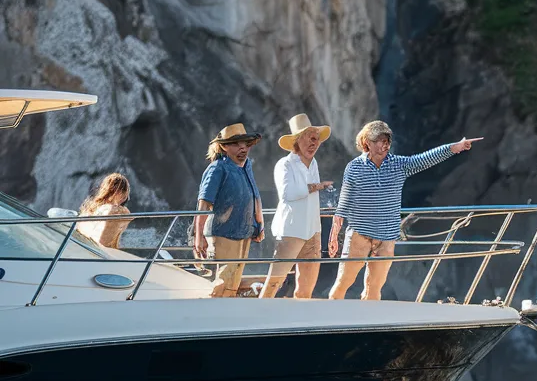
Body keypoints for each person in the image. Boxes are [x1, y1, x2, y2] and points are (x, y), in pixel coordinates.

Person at [328, 121, 480, 300]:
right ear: (367, 142)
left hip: (386, 237)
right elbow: (344, 202)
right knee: (344, 281)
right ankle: (328, 317)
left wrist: (456, 147)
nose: (384, 144)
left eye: (387, 140)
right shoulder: (354, 167)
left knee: (375, 288)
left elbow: (425, 158)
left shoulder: (399, 164)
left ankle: (366, 324)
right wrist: (334, 233)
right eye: (379, 140)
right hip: (359, 234)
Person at [260, 114, 333, 299]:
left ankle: (300, 323)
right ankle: (259, 317)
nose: (313, 143)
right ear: (297, 141)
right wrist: (318, 186)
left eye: (315, 139)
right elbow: (288, 194)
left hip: (313, 231)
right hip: (290, 231)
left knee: (307, 286)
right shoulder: (284, 164)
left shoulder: (313, 163)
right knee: (274, 282)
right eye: (308, 138)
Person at [195, 123, 264, 297]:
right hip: (223, 232)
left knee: (234, 281)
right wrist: (198, 237)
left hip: (244, 230)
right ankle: (213, 314)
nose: (242, 148)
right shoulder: (217, 168)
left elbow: (254, 196)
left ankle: (226, 313)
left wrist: (258, 225)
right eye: (235, 144)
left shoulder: (246, 167)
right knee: (224, 280)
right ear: (224, 146)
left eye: (245, 143)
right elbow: (203, 204)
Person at [76, 173, 132, 249]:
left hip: (85, 249)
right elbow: (104, 241)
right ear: (119, 193)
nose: (125, 197)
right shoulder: (114, 211)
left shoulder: (90, 208)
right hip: (100, 253)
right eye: (124, 193)